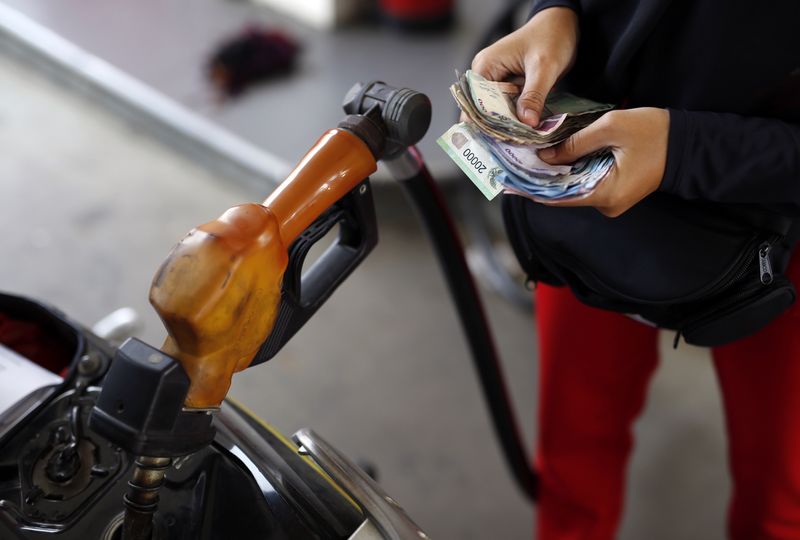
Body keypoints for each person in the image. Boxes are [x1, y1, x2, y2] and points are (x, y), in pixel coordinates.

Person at [471, 1, 800, 539]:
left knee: (780, 504)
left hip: (783, 211)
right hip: (592, 160)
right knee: (574, 456)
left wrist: (681, 148)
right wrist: (556, 13)